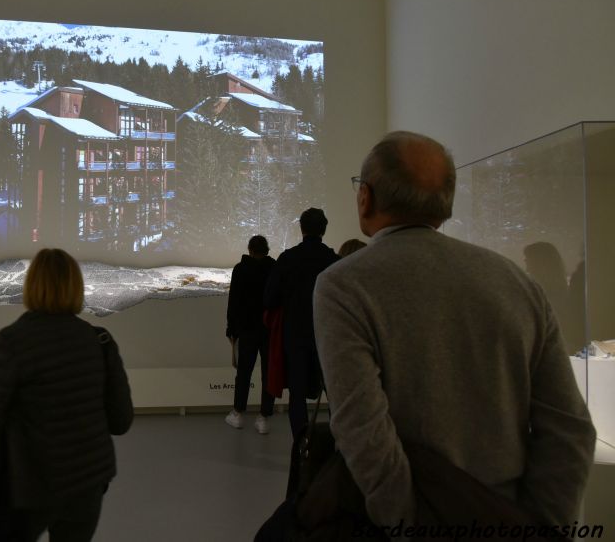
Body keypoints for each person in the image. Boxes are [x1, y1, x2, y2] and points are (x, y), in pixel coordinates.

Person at [313, 131, 595, 528]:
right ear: (444, 205)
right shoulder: (515, 281)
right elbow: (570, 429)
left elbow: (363, 431)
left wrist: (409, 526)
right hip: (508, 516)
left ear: (366, 198)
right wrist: (542, 527)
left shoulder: (343, 284)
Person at [0, 248, 134, 542]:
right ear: (76, 287)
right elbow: (121, 421)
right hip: (87, 478)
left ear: (31, 286)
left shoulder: (9, 342)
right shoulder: (100, 341)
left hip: (26, 479)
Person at [265, 208, 338, 439]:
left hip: (295, 333)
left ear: (302, 229)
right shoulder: (333, 260)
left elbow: (269, 298)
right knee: (334, 388)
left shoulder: (288, 259)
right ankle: (342, 441)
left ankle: (301, 443)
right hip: (326, 333)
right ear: (324, 229)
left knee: (296, 391)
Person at [225, 235, 277, 433]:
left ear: (250, 250)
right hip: (268, 330)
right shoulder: (274, 268)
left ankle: (238, 413)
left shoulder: (241, 269)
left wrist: (231, 329)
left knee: (244, 372)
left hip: (246, 329)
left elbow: (234, 301)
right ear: (267, 250)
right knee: (268, 373)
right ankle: (264, 417)